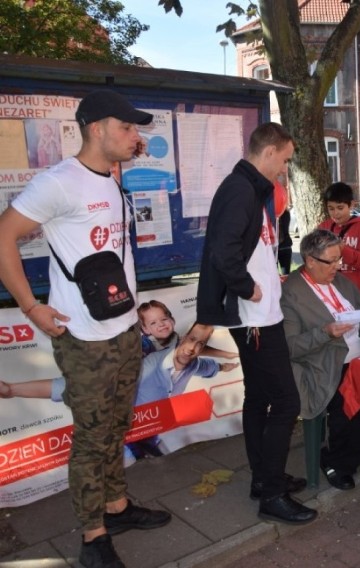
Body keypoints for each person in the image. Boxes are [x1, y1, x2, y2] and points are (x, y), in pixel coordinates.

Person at [0, 89, 171, 568]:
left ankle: (116, 508)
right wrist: (31, 307)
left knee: (117, 425)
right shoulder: (58, 182)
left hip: (121, 329)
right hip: (83, 337)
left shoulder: (110, 179)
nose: (136, 137)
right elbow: (3, 235)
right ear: (97, 128)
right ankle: (93, 538)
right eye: (128, 128)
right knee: (93, 437)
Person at [196, 122, 317, 526]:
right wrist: (248, 288)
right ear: (269, 152)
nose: (284, 169)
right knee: (285, 402)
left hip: (261, 316)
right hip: (255, 320)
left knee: (260, 398)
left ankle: (266, 480)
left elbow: (250, 247)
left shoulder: (251, 188)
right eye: (284, 161)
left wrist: (266, 279)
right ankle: (272, 494)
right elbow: (223, 250)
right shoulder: (240, 188)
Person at [0, 323, 241, 460]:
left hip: (152, 431)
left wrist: (228, 362)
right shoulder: (148, 366)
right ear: (181, 339)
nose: (192, 349)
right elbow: (73, 387)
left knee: (156, 455)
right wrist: (11, 390)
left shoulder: (195, 364)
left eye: (199, 345)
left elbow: (212, 367)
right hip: (124, 432)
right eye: (190, 341)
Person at [281, 229, 360, 490]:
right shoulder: (291, 294)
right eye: (331, 261)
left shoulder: (340, 281)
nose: (338, 266)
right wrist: (324, 333)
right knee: (356, 406)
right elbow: (290, 347)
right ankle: (337, 462)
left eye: (339, 260)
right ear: (310, 260)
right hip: (323, 366)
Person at [317, 182, 360, 297]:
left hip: (358, 293)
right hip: (331, 294)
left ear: (351, 205)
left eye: (340, 208)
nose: (335, 213)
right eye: (331, 208)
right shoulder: (323, 227)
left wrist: (342, 248)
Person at [138, 300, 237, 360]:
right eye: (153, 323)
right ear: (145, 329)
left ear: (172, 320)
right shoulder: (144, 345)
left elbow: (191, 349)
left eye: (164, 319)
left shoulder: (174, 338)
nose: (161, 324)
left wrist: (226, 354)